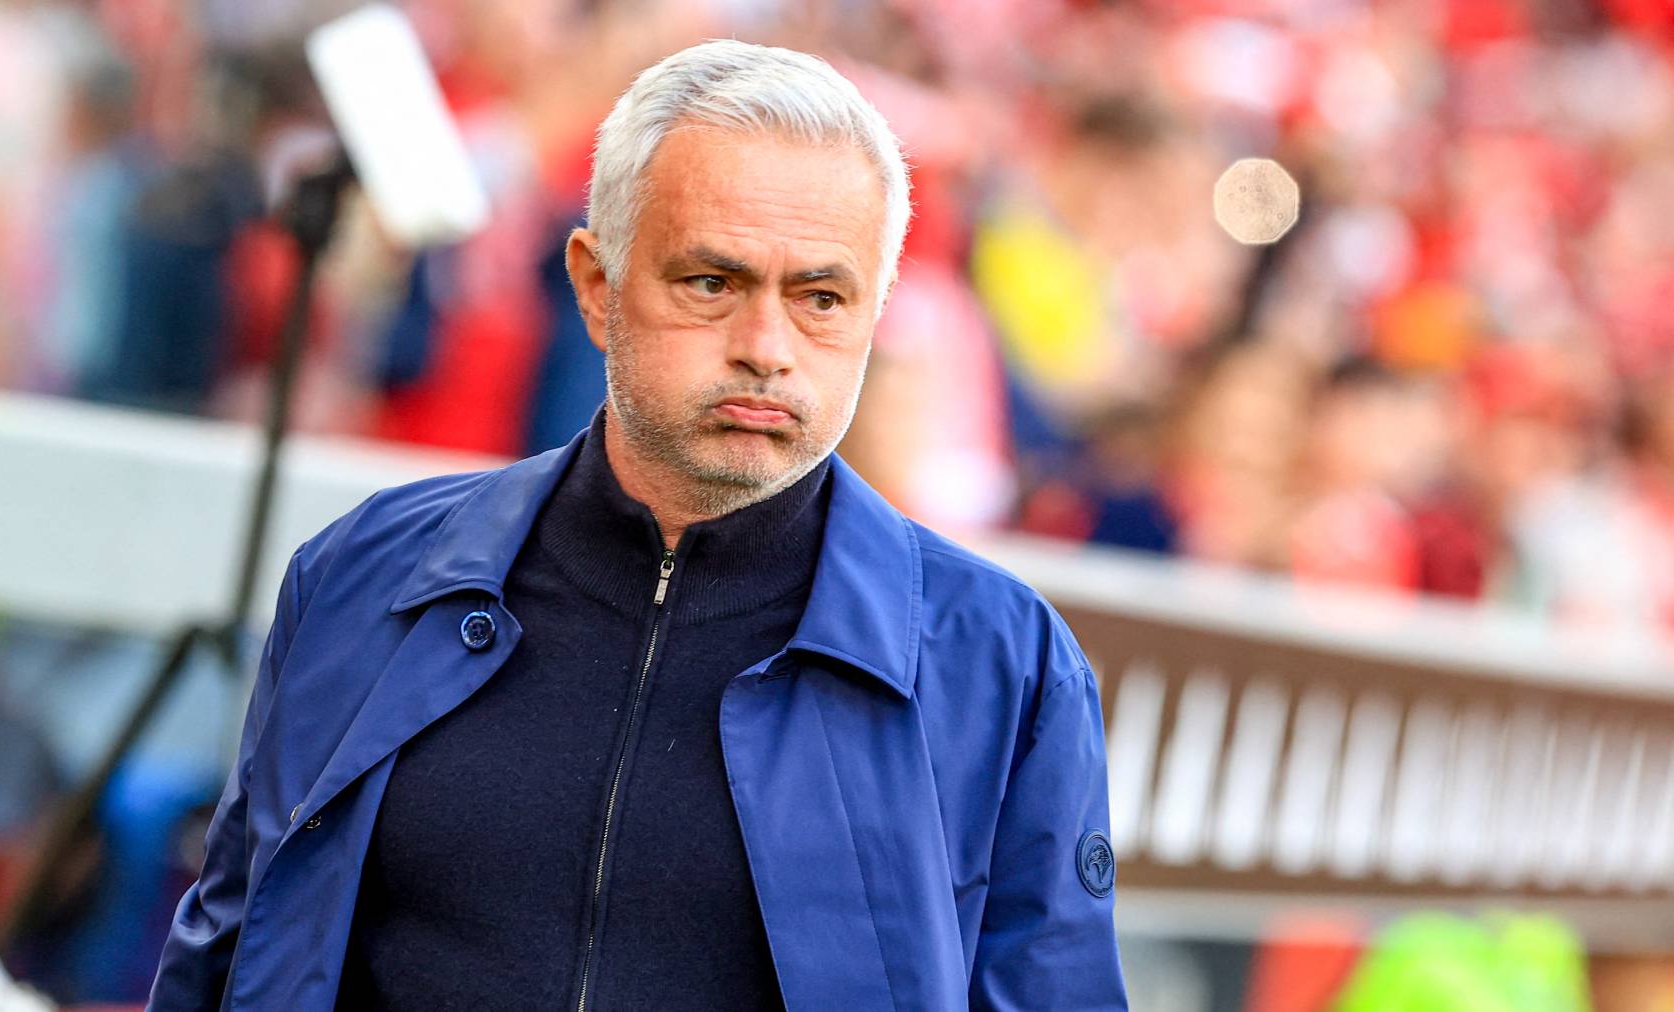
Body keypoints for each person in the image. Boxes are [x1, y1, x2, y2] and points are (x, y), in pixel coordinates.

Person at [148, 40, 1124, 1011]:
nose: (766, 349)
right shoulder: (363, 576)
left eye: (821, 297)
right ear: (597, 285)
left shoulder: (1003, 664)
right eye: (712, 283)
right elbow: (228, 961)